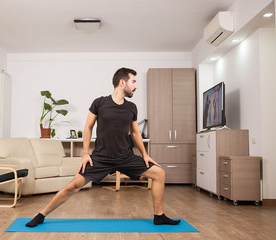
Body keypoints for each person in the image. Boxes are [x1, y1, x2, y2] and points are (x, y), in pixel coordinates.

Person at [26, 67, 180, 227]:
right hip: (101, 158)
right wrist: (85, 154)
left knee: (159, 173)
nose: (135, 86)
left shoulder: (131, 107)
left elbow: (135, 133)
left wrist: (145, 155)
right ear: (122, 82)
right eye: (133, 81)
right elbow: (88, 128)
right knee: (73, 186)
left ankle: (159, 216)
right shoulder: (99, 103)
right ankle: (41, 215)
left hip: (125, 157)